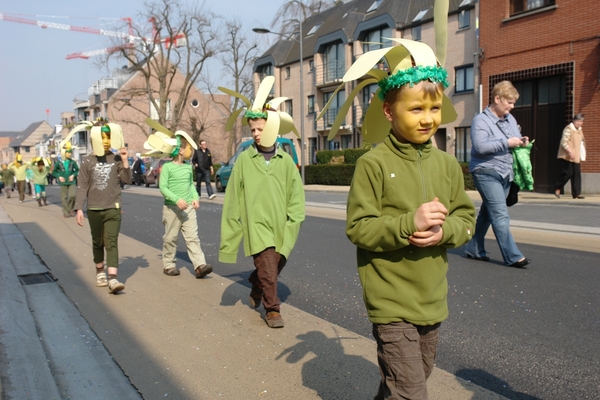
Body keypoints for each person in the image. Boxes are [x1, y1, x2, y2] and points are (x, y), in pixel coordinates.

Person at [333, 40, 476, 399]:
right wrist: (408, 223)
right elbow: (359, 227)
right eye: (416, 109)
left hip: (431, 299)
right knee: (411, 391)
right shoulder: (373, 164)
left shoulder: (446, 164)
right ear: (389, 112)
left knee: (408, 380)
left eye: (434, 107)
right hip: (391, 301)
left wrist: (445, 232)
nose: (428, 118)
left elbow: (465, 217)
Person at [219, 76, 304, 329]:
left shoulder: (286, 161)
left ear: (272, 128)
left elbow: (296, 199)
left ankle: (256, 284)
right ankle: (272, 309)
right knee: (268, 268)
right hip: (257, 227)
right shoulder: (245, 159)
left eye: (260, 129)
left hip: (282, 228)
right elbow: (233, 199)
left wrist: (293, 223)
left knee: (272, 270)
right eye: (252, 130)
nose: (255, 134)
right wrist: (230, 240)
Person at [464, 81, 531, 269]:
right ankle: (513, 256)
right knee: (500, 215)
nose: (512, 106)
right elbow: (481, 147)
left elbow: (514, 138)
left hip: (506, 172)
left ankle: (474, 248)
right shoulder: (481, 120)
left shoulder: (509, 118)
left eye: (513, 103)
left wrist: (521, 140)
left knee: (487, 214)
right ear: (497, 98)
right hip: (486, 171)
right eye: (509, 102)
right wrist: (507, 142)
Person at [142, 120, 213, 279]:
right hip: (172, 209)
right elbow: (163, 187)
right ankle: (169, 265)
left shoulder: (188, 167)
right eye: (189, 148)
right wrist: (176, 199)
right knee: (171, 238)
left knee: (193, 237)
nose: (191, 151)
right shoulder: (167, 167)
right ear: (180, 150)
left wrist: (195, 198)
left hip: (188, 208)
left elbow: (191, 185)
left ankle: (199, 265)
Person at [74, 119, 131, 294]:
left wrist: (125, 160)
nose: (106, 141)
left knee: (111, 242)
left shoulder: (115, 158)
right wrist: (78, 208)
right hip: (94, 209)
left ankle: (113, 278)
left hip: (113, 207)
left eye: (108, 137)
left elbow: (127, 180)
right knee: (97, 242)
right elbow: (82, 185)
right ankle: (100, 271)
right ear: (94, 139)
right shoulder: (87, 161)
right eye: (102, 137)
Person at [554, 114, 586, 199]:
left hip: (576, 156)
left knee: (576, 174)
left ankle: (577, 193)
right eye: (578, 121)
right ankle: (557, 187)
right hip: (567, 155)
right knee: (568, 173)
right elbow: (564, 142)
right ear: (574, 121)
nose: (580, 123)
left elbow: (581, 143)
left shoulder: (579, 130)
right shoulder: (569, 129)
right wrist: (570, 152)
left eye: (581, 121)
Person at [53, 142, 80, 217]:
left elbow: (77, 170)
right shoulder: (59, 163)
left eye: (70, 153)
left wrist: (73, 175)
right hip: (63, 182)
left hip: (71, 182)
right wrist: (59, 176)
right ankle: (65, 211)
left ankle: (70, 208)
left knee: (73, 195)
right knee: (64, 197)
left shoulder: (73, 162)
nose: (70, 154)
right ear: (64, 153)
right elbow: (54, 172)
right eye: (68, 153)